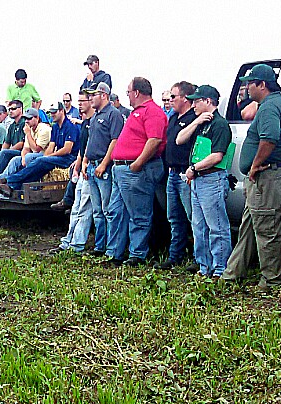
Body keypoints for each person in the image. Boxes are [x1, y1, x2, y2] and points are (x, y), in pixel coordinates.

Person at [225, 64, 281, 289]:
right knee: (249, 226)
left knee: (267, 230)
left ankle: (272, 281)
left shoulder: (269, 107)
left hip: (268, 176)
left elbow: (269, 138)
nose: (246, 88)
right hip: (269, 177)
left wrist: (254, 166)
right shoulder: (279, 104)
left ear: (262, 85)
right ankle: (233, 272)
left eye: (249, 83)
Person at [104, 77, 167, 265]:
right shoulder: (137, 112)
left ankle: (137, 254)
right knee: (116, 212)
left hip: (134, 169)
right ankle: (114, 253)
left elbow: (154, 140)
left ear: (137, 93)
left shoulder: (153, 112)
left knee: (138, 214)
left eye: (128, 93)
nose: (128, 96)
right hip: (121, 169)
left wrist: (138, 163)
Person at [178, 85, 235, 278]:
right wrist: (195, 122)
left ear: (208, 101)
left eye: (196, 101)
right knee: (198, 226)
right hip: (198, 180)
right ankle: (204, 267)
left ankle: (220, 268)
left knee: (216, 225)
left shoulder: (220, 125)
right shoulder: (201, 122)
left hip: (211, 178)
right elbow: (179, 139)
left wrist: (193, 169)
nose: (192, 104)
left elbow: (217, 156)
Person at [159, 82, 198, 269]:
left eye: (173, 96)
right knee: (174, 218)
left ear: (185, 98)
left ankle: (199, 258)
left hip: (186, 174)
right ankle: (175, 255)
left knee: (193, 218)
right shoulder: (173, 118)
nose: (170, 101)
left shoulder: (194, 118)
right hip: (172, 173)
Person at [85, 83, 127, 257]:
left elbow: (115, 140)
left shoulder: (113, 114)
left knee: (108, 209)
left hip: (104, 167)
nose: (90, 99)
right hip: (92, 166)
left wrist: (103, 164)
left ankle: (112, 248)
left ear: (103, 95)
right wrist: (86, 161)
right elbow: (90, 141)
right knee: (98, 211)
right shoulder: (95, 117)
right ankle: (99, 246)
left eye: (93, 95)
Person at [53, 90, 97, 252]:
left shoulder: (94, 122)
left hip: (92, 168)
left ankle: (77, 243)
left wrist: (84, 165)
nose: (79, 104)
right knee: (77, 207)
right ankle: (68, 241)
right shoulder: (85, 123)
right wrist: (77, 167)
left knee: (85, 207)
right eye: (78, 101)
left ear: (90, 101)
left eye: (82, 101)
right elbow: (82, 149)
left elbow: (92, 149)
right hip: (83, 167)